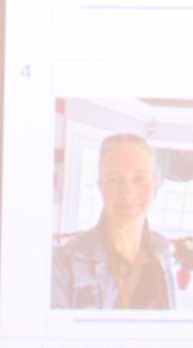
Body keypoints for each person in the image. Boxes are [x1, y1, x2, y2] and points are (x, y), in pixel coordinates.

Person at [49, 130, 177, 309]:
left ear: (155, 184)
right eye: (114, 180)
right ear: (100, 186)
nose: (128, 192)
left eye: (139, 178)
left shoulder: (162, 248)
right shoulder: (62, 264)